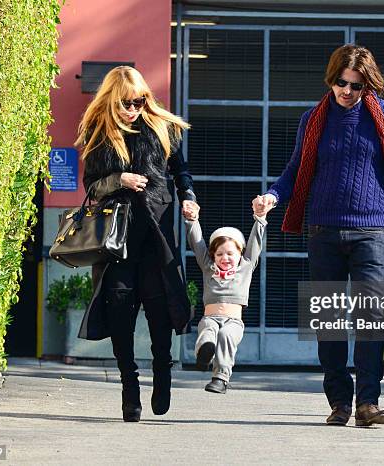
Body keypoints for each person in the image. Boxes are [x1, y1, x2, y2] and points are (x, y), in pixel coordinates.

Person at [254, 44, 384, 427]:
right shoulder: (313, 119)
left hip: (371, 231)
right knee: (328, 322)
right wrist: (272, 195)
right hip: (323, 232)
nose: (346, 91)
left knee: (371, 320)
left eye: (356, 85)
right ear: (330, 80)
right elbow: (295, 169)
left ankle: (368, 404)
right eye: (340, 83)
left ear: (368, 84)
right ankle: (339, 403)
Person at [74, 66, 199, 422]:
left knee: (160, 313)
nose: (133, 109)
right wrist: (119, 178)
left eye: (139, 101)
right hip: (117, 240)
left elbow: (181, 171)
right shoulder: (100, 135)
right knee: (118, 310)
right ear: (112, 102)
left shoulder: (163, 129)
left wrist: (188, 195)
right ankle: (130, 385)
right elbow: (92, 186)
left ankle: (163, 371)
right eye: (126, 103)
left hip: (156, 235)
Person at [181, 198, 267, 394]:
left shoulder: (245, 267)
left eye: (230, 253)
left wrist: (260, 218)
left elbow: (256, 242)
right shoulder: (208, 267)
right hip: (210, 317)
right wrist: (192, 220)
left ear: (240, 253)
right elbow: (197, 243)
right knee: (208, 333)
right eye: (219, 254)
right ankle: (204, 356)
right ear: (213, 256)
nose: (224, 258)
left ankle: (220, 378)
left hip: (233, 321)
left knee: (226, 336)